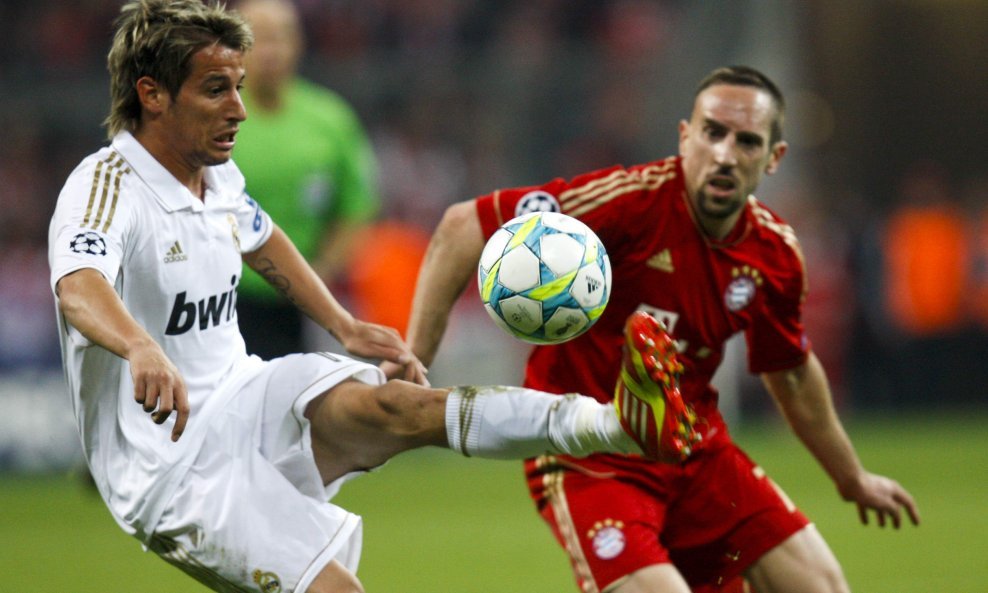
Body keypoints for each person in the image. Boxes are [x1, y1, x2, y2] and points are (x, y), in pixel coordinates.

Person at [46, 2, 692, 592]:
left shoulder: (212, 171)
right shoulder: (105, 187)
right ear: (151, 95)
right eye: (216, 89)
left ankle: (612, 423)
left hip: (242, 395)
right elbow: (79, 286)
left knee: (397, 405)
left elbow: (258, 233)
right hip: (169, 468)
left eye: (238, 87)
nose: (240, 109)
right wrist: (139, 345)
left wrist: (345, 324)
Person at [400, 65, 921, 593]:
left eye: (746, 141)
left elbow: (789, 374)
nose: (724, 153)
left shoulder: (774, 253)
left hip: (693, 450)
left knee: (823, 586)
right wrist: (413, 362)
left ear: (773, 158)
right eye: (712, 132)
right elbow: (462, 225)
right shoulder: (626, 202)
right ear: (685, 136)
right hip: (590, 458)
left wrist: (851, 477)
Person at [233, 0, 381, 358]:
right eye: (258, 39)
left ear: (298, 44)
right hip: (222, 297)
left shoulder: (330, 120)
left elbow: (357, 207)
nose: (270, 51)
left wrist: (319, 273)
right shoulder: (212, 116)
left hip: (302, 303)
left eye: (280, 38)